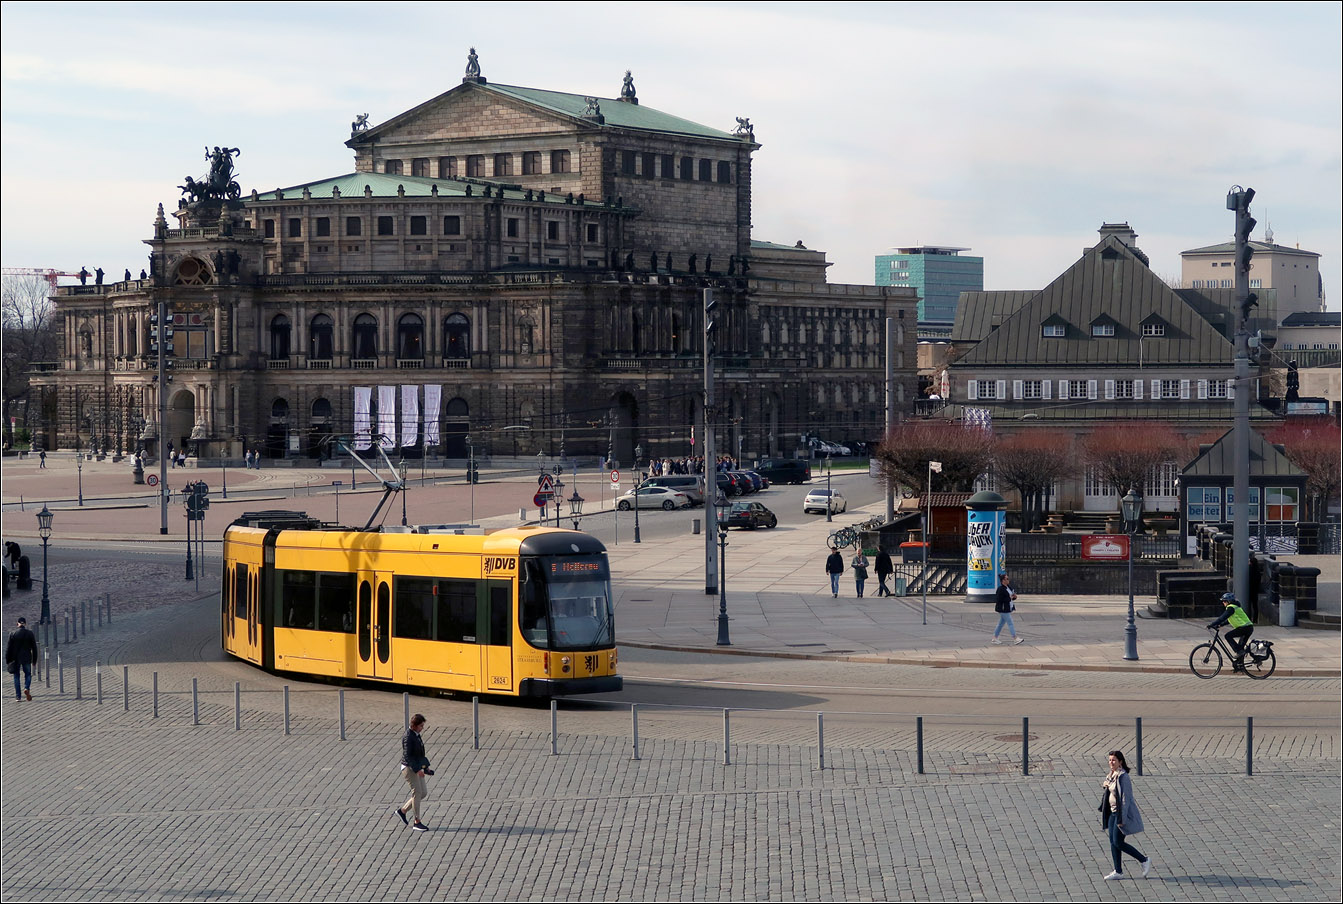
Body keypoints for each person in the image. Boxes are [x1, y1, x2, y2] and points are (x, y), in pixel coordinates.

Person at [1099, 749, 1151, 880]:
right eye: (1110, 760)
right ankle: (1118, 871)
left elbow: (1125, 799)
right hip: (1112, 812)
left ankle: (1144, 860)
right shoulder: (1111, 774)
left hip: (1120, 814)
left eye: (1114, 760)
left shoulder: (1123, 777)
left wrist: (1122, 818)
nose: (1111, 762)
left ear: (1120, 762)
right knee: (1113, 842)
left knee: (1118, 842)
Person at [395, 713, 431, 832]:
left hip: (417, 767)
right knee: (417, 792)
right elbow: (408, 756)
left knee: (423, 793)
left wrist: (425, 768)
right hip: (409, 769)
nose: (422, 728)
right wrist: (417, 769)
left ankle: (403, 811)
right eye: (421, 726)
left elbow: (419, 754)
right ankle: (417, 821)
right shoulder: (408, 737)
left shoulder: (416, 735)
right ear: (414, 726)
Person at [1208, 591, 1254, 671]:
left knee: (1228, 636)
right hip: (1247, 628)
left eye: (1224, 601)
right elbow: (1229, 620)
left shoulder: (1231, 608)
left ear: (1229, 601)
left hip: (1244, 628)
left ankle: (1239, 653)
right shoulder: (1234, 607)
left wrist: (1212, 624)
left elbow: (1222, 617)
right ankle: (1239, 666)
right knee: (1240, 647)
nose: (1223, 602)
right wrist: (1220, 625)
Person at [6, 616, 38, 701]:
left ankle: (18, 696)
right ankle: (26, 688)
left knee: (16, 676)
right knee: (28, 674)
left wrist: (8, 660)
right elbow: (34, 648)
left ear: (17, 624)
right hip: (26, 657)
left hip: (16, 658)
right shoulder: (30, 633)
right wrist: (34, 660)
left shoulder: (12, 633)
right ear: (25, 624)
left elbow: (9, 648)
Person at [992, 573, 1023, 645]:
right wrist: (1009, 598)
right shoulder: (1000, 589)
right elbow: (999, 599)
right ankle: (1015, 638)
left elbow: (1011, 596)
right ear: (1003, 581)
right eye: (1007, 579)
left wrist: (1014, 597)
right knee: (1010, 623)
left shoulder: (1008, 587)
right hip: (1003, 609)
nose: (1008, 580)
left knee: (1000, 624)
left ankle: (995, 637)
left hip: (1008, 607)